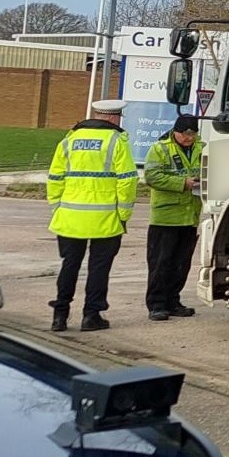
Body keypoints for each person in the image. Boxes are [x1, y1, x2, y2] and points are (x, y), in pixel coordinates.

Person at [46, 98, 137, 332]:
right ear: (113, 117)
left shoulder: (69, 140)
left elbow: (55, 178)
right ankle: (91, 315)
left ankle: (60, 315)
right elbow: (127, 181)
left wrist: (57, 207)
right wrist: (123, 214)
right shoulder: (117, 141)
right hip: (105, 219)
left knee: (69, 265)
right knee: (99, 268)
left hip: (69, 217)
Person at [141, 114, 202, 321]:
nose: (189, 138)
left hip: (190, 215)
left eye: (192, 134)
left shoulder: (202, 148)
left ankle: (173, 301)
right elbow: (152, 177)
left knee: (181, 263)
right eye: (185, 134)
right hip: (165, 217)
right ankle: (157, 305)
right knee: (160, 263)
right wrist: (182, 183)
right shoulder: (160, 149)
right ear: (176, 131)